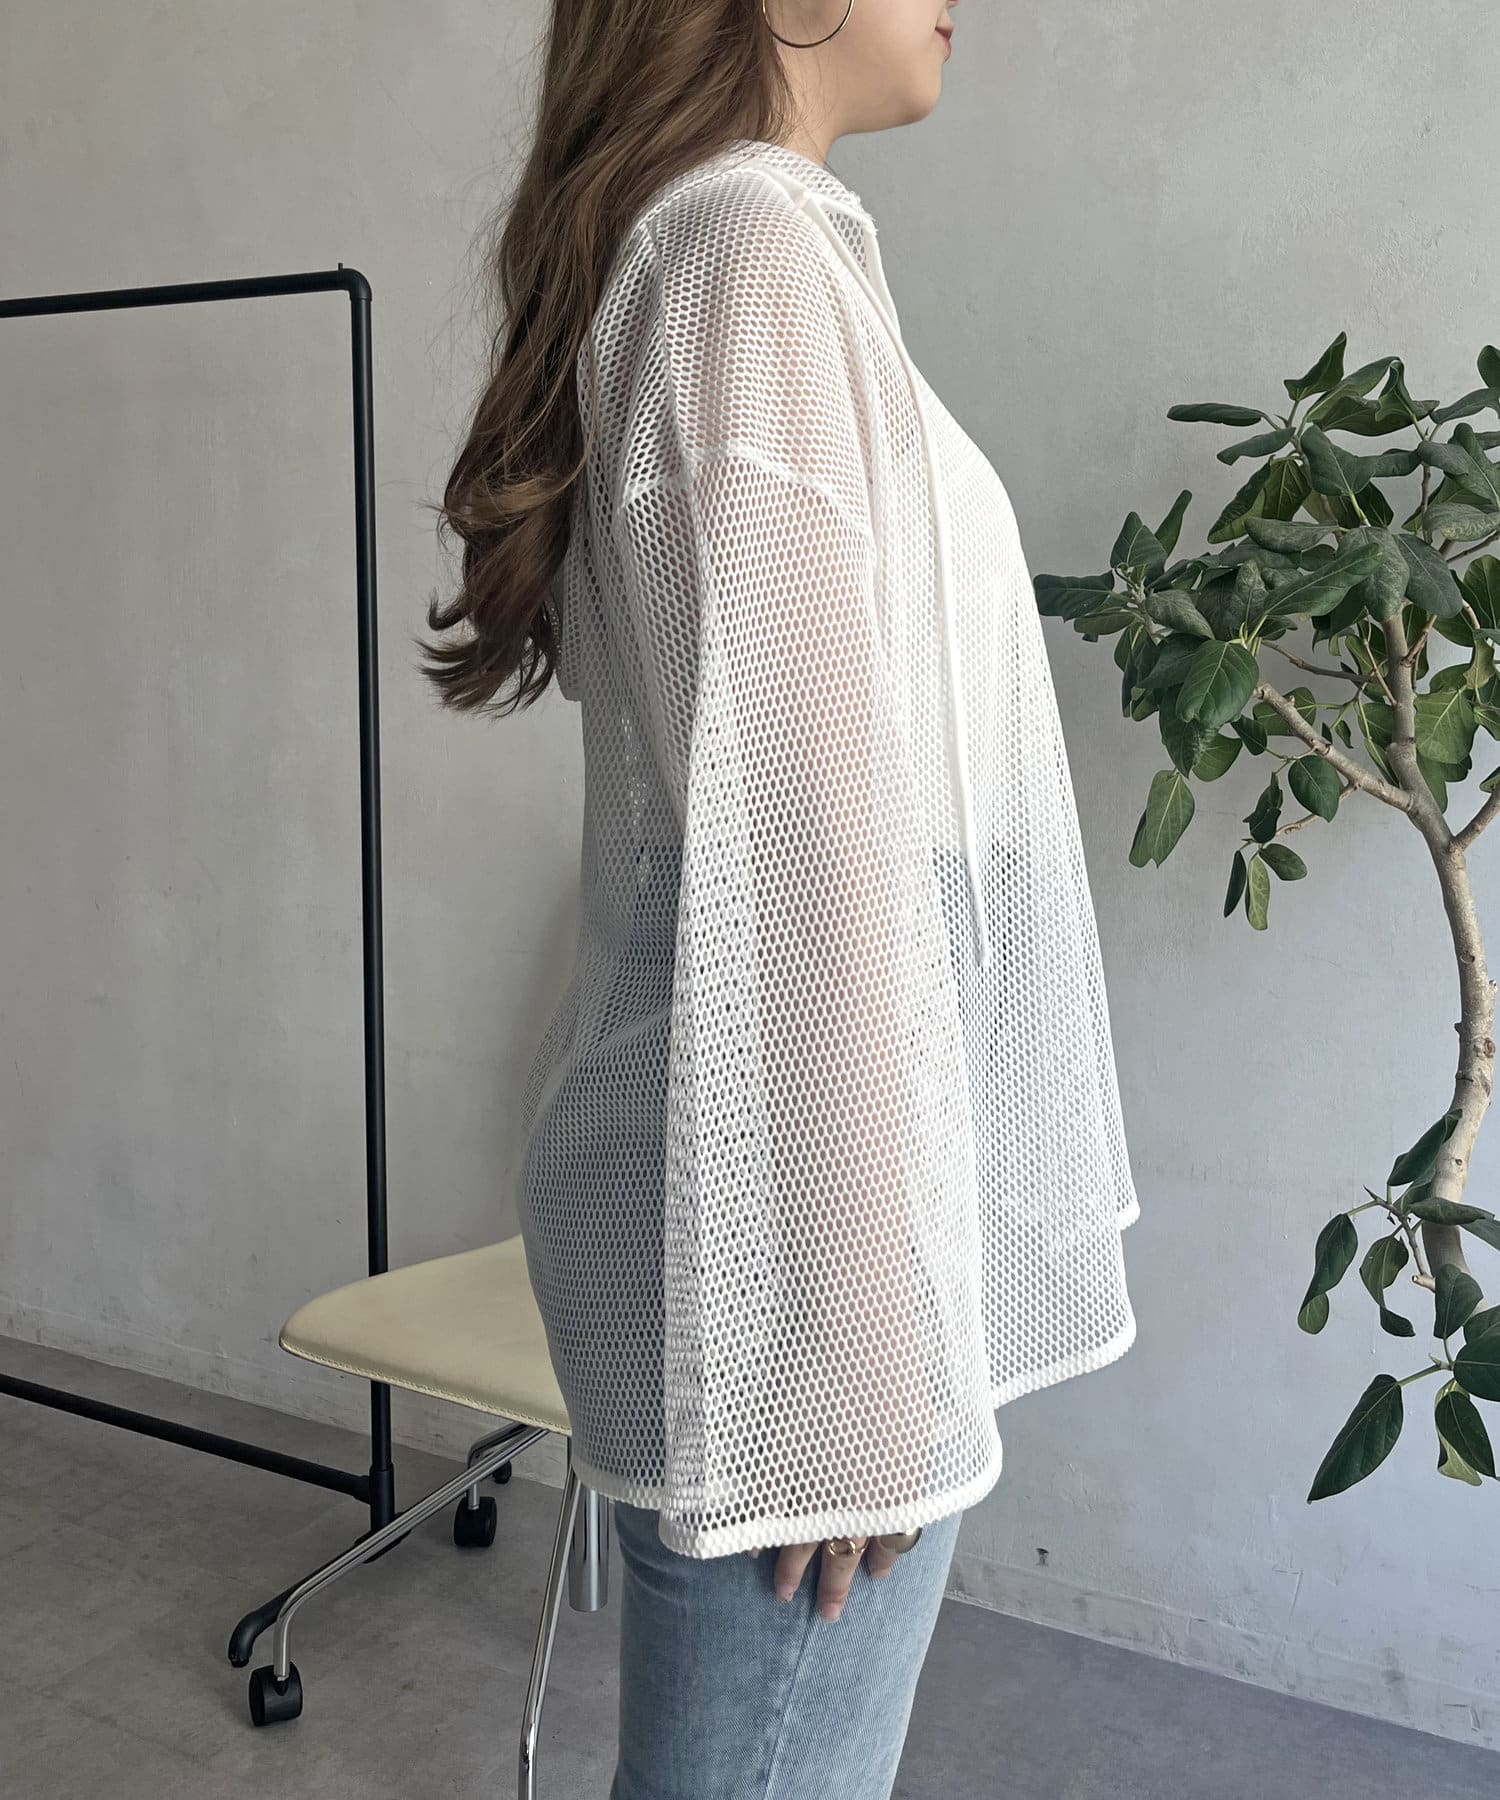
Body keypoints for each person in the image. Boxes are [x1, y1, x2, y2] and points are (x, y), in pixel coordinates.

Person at [419, 1, 1140, 1793]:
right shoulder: (743, 253)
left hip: (788, 1213)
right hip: (794, 1252)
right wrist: (852, 1358)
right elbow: (813, 844)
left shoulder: (740, 251)